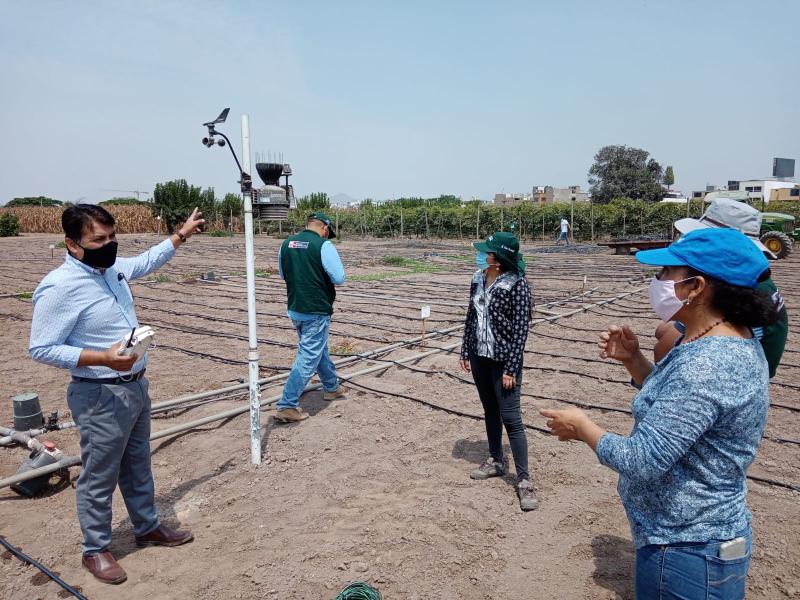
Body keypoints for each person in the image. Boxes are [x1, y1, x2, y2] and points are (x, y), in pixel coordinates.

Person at [541, 228, 779, 599]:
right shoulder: (718, 340)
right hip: (696, 539)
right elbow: (685, 412)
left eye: (666, 273)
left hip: (687, 549)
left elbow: (642, 460)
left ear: (695, 286)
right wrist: (634, 361)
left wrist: (583, 427)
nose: (659, 281)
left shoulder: (710, 364)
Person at [29, 204, 203, 585]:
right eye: (98, 240)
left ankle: (147, 527)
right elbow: (41, 347)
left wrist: (181, 234)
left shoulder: (111, 269)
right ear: (72, 244)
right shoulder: (60, 287)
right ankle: (96, 549)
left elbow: (144, 261)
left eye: (111, 238)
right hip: (99, 394)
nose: (108, 245)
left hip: (135, 387)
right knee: (100, 475)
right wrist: (101, 357)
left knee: (138, 464)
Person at [651, 198, 788, 377]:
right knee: (663, 329)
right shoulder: (754, 280)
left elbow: (662, 351)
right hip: (758, 365)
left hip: (736, 373)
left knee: (665, 342)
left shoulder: (730, 293)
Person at [460, 232, 538, 511]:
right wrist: (464, 350)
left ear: (499, 258)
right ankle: (496, 460)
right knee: (490, 410)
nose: (483, 255)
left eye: (488, 252)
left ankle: (525, 480)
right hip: (480, 357)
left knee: (511, 418)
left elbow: (520, 333)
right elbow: (471, 317)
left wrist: (512, 368)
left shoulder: (518, 286)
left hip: (503, 361)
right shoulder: (477, 279)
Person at [276, 212, 347, 423]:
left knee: (317, 348)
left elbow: (282, 273)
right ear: (324, 228)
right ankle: (287, 404)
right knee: (308, 354)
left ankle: (331, 387)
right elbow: (339, 278)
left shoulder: (286, 244)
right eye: (327, 232)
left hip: (296, 306)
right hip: (316, 308)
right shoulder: (323, 246)